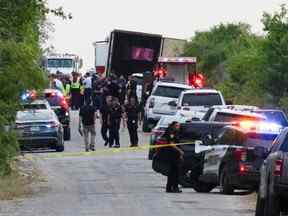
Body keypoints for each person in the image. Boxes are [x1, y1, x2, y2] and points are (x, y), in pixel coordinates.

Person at [159, 121, 184, 193]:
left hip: (176, 155)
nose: (179, 127)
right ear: (174, 126)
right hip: (172, 155)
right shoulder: (171, 133)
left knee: (173, 172)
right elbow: (172, 144)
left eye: (179, 126)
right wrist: (180, 151)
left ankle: (170, 187)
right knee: (175, 172)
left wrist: (180, 153)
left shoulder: (175, 132)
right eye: (177, 126)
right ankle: (174, 188)